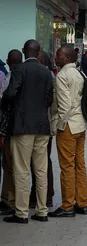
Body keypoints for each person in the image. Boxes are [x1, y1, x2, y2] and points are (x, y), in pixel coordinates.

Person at [2, 39, 53, 224]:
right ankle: (42, 211)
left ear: (24, 51)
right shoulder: (46, 73)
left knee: (21, 169)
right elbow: (49, 99)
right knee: (41, 170)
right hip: (42, 126)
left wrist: (10, 106)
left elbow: (9, 94)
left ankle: (22, 213)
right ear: (38, 53)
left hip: (22, 127)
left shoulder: (19, 70)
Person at [49, 45, 87, 218]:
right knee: (80, 165)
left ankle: (67, 206)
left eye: (58, 54)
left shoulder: (62, 75)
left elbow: (64, 106)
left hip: (68, 126)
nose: (55, 56)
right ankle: (82, 203)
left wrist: (58, 125)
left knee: (67, 166)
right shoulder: (80, 74)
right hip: (81, 125)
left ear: (65, 58)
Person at [29, 50, 55, 209]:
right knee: (43, 162)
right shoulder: (50, 76)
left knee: (38, 164)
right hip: (45, 124)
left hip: (39, 124)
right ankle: (44, 196)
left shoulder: (46, 76)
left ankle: (43, 196)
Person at [0, 49, 23, 216]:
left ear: (9, 60)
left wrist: (2, 131)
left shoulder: (11, 76)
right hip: (31, 127)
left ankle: (11, 200)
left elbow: (6, 107)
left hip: (12, 128)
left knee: (11, 165)